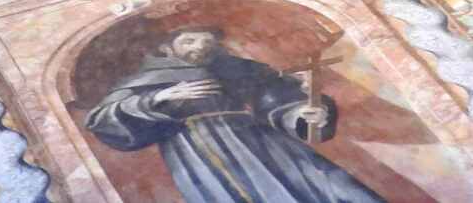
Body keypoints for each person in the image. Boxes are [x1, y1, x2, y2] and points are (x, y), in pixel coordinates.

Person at [85, 27, 390, 203]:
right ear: (166, 49)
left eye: (207, 41)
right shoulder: (144, 79)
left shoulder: (236, 68)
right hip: (200, 149)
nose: (200, 46)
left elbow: (271, 96)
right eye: (189, 41)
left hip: (261, 138)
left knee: (324, 182)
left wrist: (301, 111)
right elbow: (102, 119)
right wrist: (159, 97)